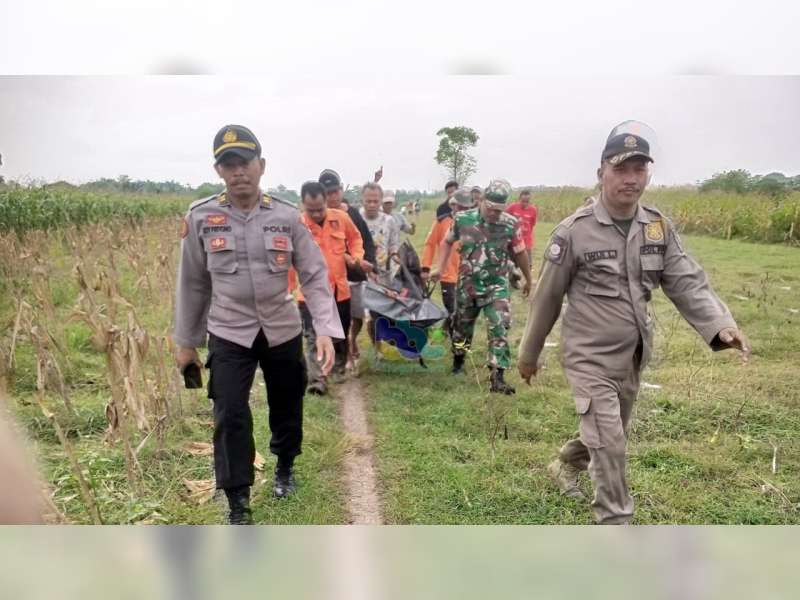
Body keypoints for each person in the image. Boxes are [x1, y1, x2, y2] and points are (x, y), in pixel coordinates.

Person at [517, 130, 750, 525]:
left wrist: (720, 324)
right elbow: (547, 298)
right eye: (620, 169)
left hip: (632, 356)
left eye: (639, 169)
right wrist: (528, 355)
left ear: (648, 175)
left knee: (610, 432)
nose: (630, 178)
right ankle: (615, 523)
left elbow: (686, 281)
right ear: (601, 174)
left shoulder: (657, 227)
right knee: (610, 441)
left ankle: (566, 463)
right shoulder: (574, 231)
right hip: (588, 357)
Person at [174, 125, 344, 524]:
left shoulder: (285, 216)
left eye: (245, 163)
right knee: (230, 412)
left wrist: (323, 328)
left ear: (261, 166)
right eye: (229, 164)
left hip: (281, 327)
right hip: (228, 330)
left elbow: (314, 273)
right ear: (218, 170)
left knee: (287, 402)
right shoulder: (201, 217)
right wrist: (186, 342)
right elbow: (193, 282)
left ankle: (285, 466)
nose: (238, 172)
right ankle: (238, 501)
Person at [435, 181, 531, 394]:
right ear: (482, 201)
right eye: (491, 208)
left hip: (496, 285)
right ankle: (458, 362)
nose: (494, 214)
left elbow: (521, 252)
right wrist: (439, 268)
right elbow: (446, 242)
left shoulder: (510, 224)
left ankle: (497, 376)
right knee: (462, 328)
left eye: (499, 210)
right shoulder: (462, 219)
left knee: (499, 325)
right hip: (467, 285)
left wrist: (529, 279)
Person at [291, 181, 364, 395]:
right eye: (310, 210)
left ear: (326, 202)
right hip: (309, 294)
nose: (315, 214)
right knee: (313, 337)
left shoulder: (341, 218)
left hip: (339, 290)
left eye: (319, 209)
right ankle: (317, 380)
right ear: (302, 205)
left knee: (339, 333)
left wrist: (356, 257)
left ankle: (338, 368)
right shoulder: (297, 224)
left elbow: (356, 238)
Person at [319, 169, 376, 368]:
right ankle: (344, 357)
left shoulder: (352, 214)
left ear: (341, 190)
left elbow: (364, 240)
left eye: (335, 191)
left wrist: (368, 262)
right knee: (338, 319)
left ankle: (351, 342)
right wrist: (349, 259)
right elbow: (326, 247)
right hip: (332, 279)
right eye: (327, 193)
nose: (332, 197)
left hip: (356, 276)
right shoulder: (319, 217)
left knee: (357, 317)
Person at [357, 182, 401, 355]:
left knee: (385, 311)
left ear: (381, 201)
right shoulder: (356, 219)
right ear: (362, 200)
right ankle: (377, 349)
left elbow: (393, 244)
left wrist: (395, 255)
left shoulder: (389, 221)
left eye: (375, 201)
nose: (372, 205)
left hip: (385, 274)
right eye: (368, 201)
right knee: (370, 314)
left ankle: (389, 338)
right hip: (363, 274)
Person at [421, 187, 466, 337]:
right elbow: (429, 244)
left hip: (467, 274)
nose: (457, 208)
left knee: (461, 308)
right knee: (452, 308)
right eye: (453, 204)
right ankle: (455, 339)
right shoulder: (442, 221)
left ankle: (445, 329)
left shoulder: (473, 221)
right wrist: (426, 267)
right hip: (448, 274)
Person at [506, 188, 538, 265]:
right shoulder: (513, 207)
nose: (524, 204)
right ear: (519, 199)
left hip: (527, 240)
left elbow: (532, 224)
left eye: (527, 202)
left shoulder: (533, 210)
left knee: (528, 263)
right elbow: (505, 217)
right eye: (523, 201)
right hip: (513, 239)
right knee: (512, 262)